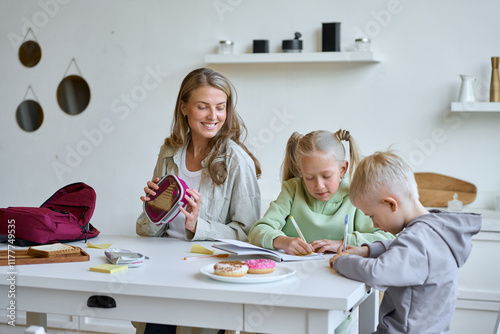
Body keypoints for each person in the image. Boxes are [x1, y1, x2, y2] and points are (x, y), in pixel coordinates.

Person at [134, 68, 262, 334]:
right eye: (202, 107)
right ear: (184, 107)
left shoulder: (237, 161)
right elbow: (149, 229)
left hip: (207, 272)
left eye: (220, 107)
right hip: (164, 265)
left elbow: (249, 234)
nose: (213, 116)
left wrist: (197, 226)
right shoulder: (169, 152)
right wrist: (152, 209)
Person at [330, 151, 482, 334]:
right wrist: (367, 251)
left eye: (372, 216)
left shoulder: (417, 241)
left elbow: (377, 272)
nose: (374, 224)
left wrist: (340, 262)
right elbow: (401, 247)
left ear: (391, 204)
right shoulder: (434, 229)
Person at [248, 130, 395, 256]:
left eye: (326, 176)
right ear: (301, 172)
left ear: (342, 169)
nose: (319, 186)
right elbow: (257, 230)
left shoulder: (356, 195)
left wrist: (344, 242)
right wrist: (281, 241)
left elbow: (389, 238)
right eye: (309, 178)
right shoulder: (292, 190)